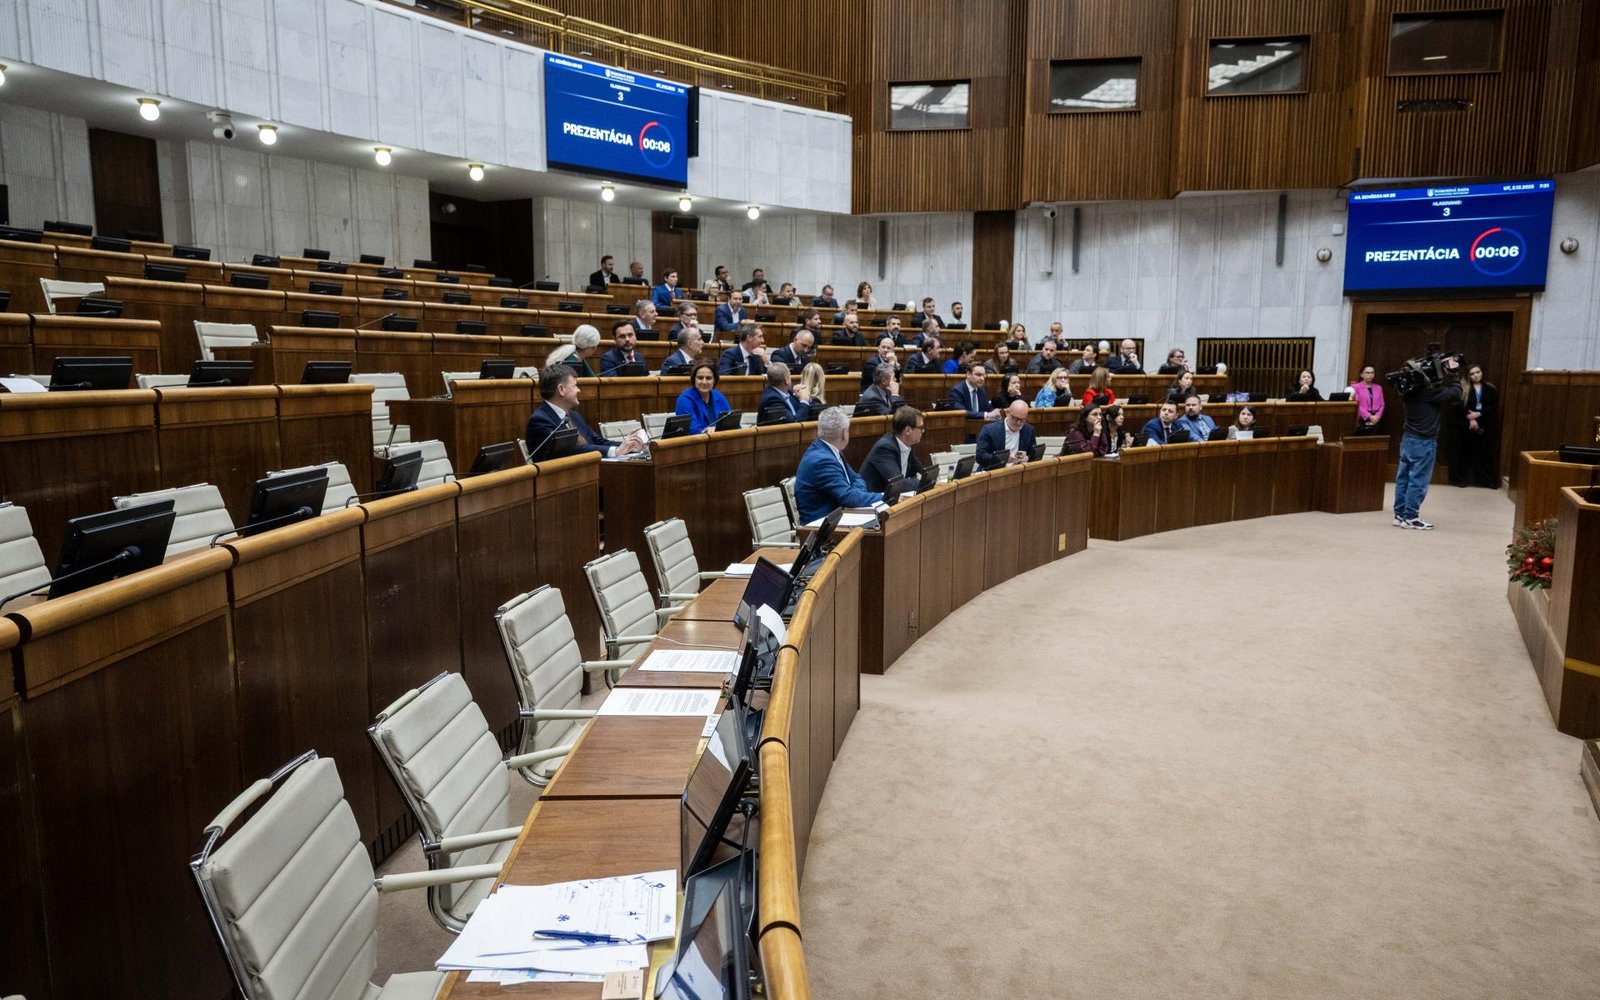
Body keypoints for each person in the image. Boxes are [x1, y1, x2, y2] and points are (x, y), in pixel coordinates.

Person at [1393, 355, 1462, 529]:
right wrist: (1453, 374)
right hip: (1423, 442)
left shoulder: (1408, 390)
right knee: (1418, 480)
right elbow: (1456, 393)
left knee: (1403, 479)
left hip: (1408, 439)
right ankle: (1411, 517)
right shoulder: (1429, 392)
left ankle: (1400, 515)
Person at [526, 365, 645, 460]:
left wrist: (627, 445)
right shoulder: (540, 420)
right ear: (561, 389)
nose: (579, 390)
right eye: (575, 386)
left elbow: (596, 440)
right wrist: (616, 451)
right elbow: (572, 450)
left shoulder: (573, 415)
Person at [794, 406, 884, 523]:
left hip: (837, 517)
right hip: (820, 527)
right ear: (844, 433)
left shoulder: (831, 450)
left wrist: (856, 492)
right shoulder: (822, 460)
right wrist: (885, 498)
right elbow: (848, 498)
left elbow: (856, 478)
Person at [1449, 364, 1500, 488]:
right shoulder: (1462, 387)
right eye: (1472, 374)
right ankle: (1459, 479)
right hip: (1462, 424)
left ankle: (1487, 480)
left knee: (1483, 452)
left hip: (1482, 423)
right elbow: (1457, 405)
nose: (1476, 375)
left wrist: (1478, 414)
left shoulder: (1490, 388)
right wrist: (1470, 417)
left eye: (1478, 372)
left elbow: (1492, 406)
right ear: (1468, 376)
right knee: (1460, 452)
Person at [859, 405, 928, 492]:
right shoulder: (884, 448)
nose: (923, 431)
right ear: (907, 430)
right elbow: (899, 485)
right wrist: (919, 480)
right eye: (921, 428)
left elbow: (924, 474)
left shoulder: (906, 445)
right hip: (873, 502)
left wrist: (920, 479)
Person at [976, 400, 1038, 469]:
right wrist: (1004, 458)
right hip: (993, 472)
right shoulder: (989, 430)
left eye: (1022, 420)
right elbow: (980, 456)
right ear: (1007, 413)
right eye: (1015, 418)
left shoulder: (1029, 430)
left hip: (1018, 472)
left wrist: (1028, 458)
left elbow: (1034, 454)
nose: (1018, 423)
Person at [675, 362, 732, 433]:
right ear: (694, 379)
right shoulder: (685, 400)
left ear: (714, 380)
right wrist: (710, 431)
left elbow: (731, 423)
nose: (704, 382)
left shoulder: (719, 396)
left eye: (708, 378)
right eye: (700, 378)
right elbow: (692, 430)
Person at [1350, 363, 1385, 435]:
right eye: (1367, 373)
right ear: (1362, 374)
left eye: (1372, 373)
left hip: (1375, 418)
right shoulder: (1355, 387)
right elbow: (1357, 404)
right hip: (1362, 418)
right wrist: (1369, 416)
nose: (1370, 375)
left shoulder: (1378, 388)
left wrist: (1377, 416)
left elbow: (1382, 404)